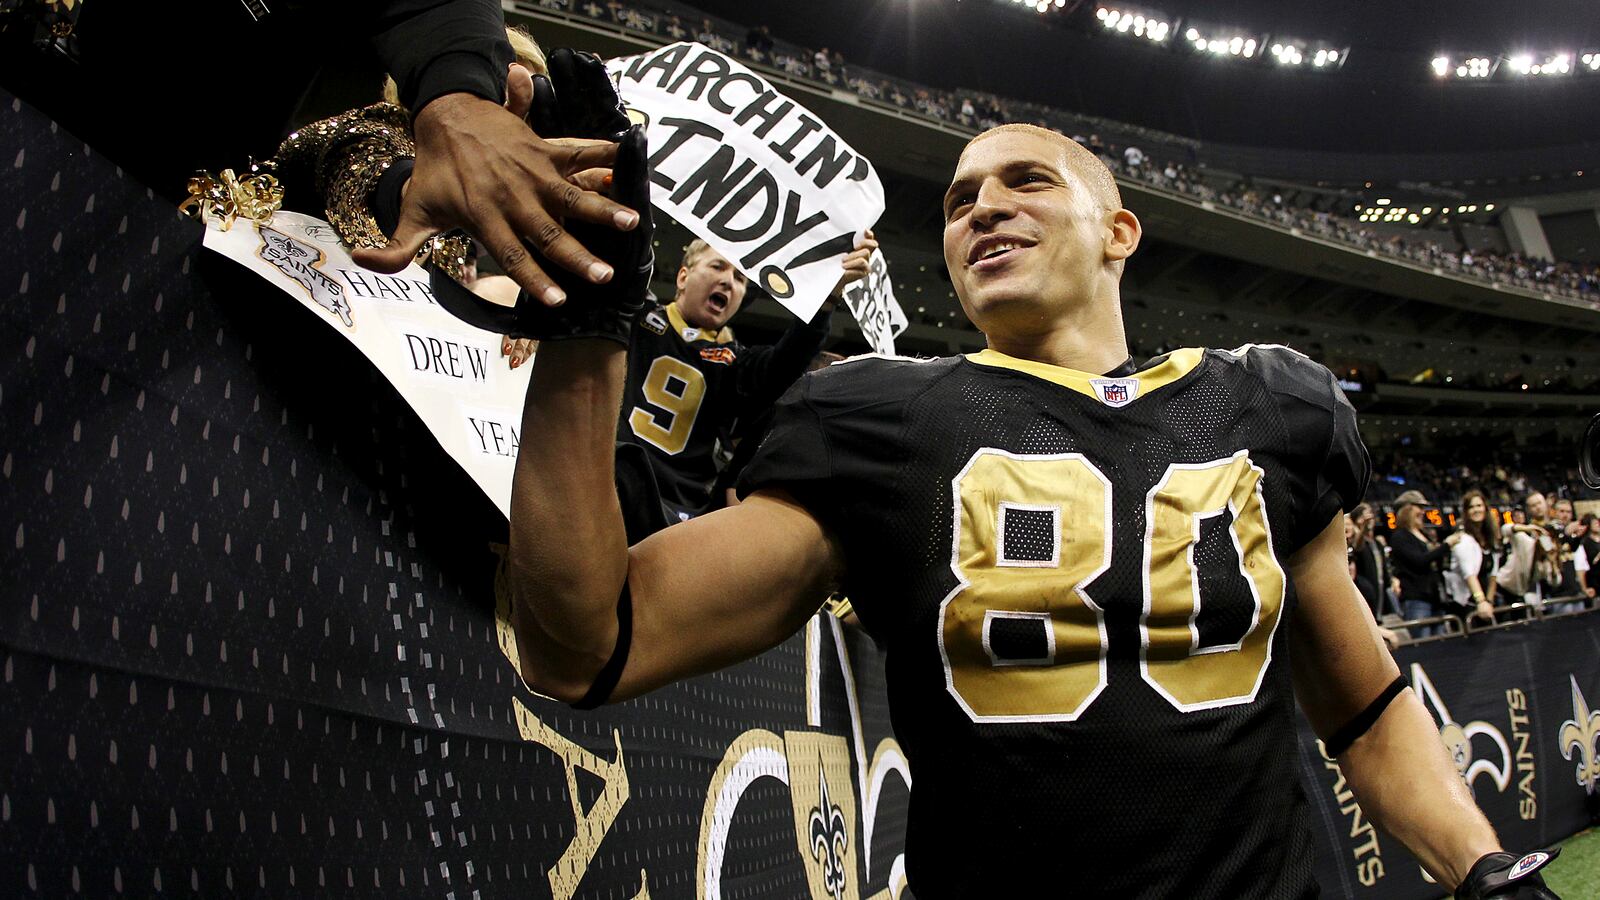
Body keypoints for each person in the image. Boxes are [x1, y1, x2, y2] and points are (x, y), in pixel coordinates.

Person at [505, 123, 1556, 897]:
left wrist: (1478, 866)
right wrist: (586, 323)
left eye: (1025, 181)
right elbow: (589, 644)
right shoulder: (873, 419)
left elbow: (1363, 709)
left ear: (1119, 231)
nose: (980, 208)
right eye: (959, 200)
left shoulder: (1272, 404)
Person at [0, 0, 637, 312]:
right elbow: (355, 165)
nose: (518, 143)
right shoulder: (372, 133)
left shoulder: (447, 147)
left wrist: (458, 95)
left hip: (122, 233)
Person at [615, 235, 875, 534]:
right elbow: (628, 259)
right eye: (717, 266)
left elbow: (785, 361)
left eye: (739, 278)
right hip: (609, 482)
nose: (728, 281)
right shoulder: (637, 317)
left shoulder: (734, 362)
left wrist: (826, 299)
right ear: (683, 276)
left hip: (676, 514)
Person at [1389, 490, 1461, 635]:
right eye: (1419, 507)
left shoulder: (1424, 534)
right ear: (1407, 509)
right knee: (1424, 645)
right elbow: (1419, 561)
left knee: (1441, 643)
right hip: (1417, 599)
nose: (1423, 512)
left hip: (1435, 598)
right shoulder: (1400, 537)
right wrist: (1445, 545)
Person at [1443, 490, 1499, 624]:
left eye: (1479, 506)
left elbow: (1493, 575)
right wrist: (1481, 601)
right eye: (1471, 507)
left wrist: (1489, 601)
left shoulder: (1490, 538)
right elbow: (1469, 575)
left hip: (1486, 604)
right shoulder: (1463, 539)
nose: (1476, 510)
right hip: (1466, 605)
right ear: (1466, 512)